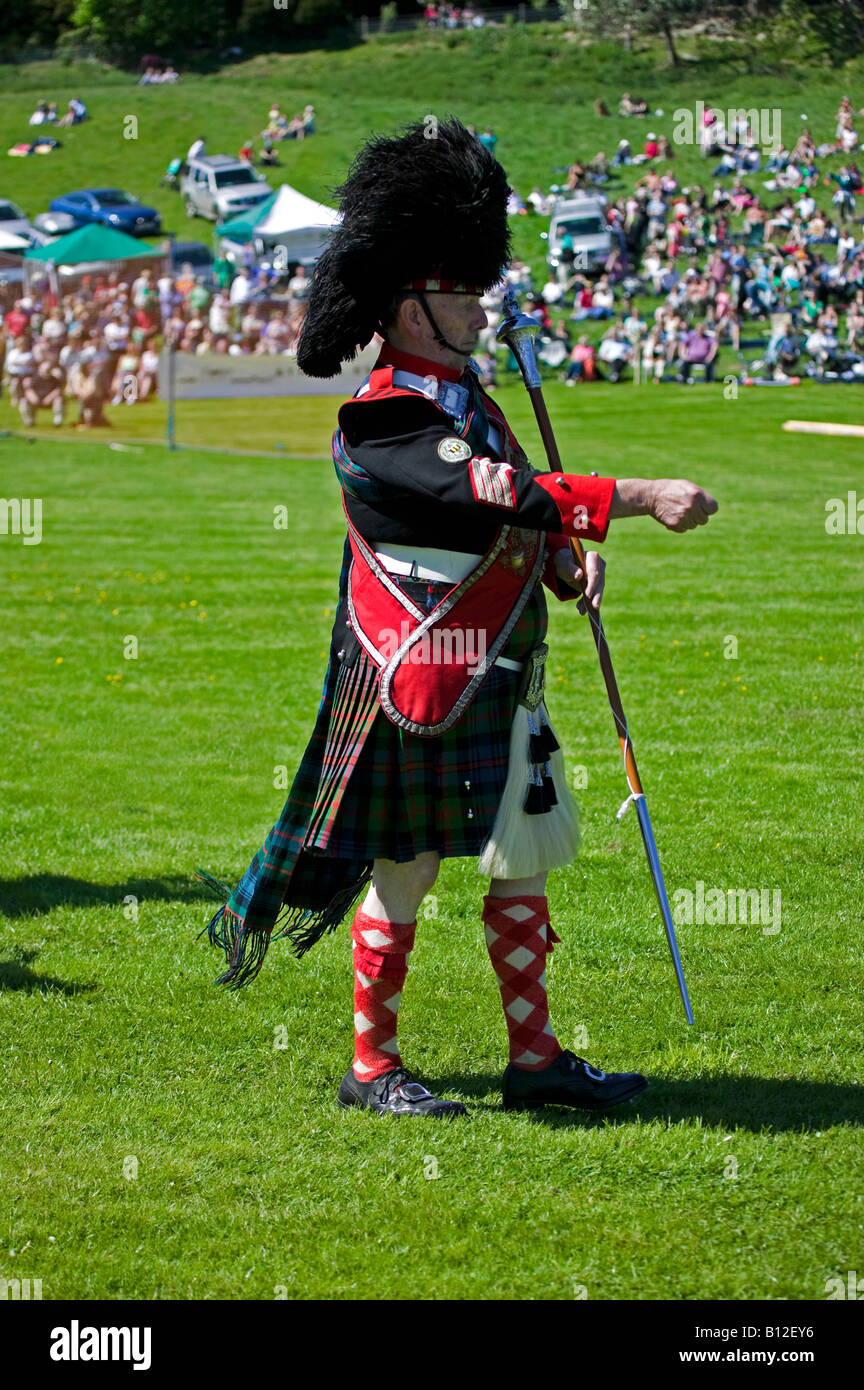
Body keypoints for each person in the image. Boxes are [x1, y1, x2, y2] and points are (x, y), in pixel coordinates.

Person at [196, 119, 717, 1119]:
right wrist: (639, 494)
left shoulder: (468, 396)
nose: (482, 305)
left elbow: (515, 516)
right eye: (463, 289)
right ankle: (371, 1068)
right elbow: (498, 493)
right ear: (411, 303)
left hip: (500, 672)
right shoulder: (384, 415)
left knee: (522, 859)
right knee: (410, 866)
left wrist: (565, 570)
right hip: (417, 676)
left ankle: (537, 1060)